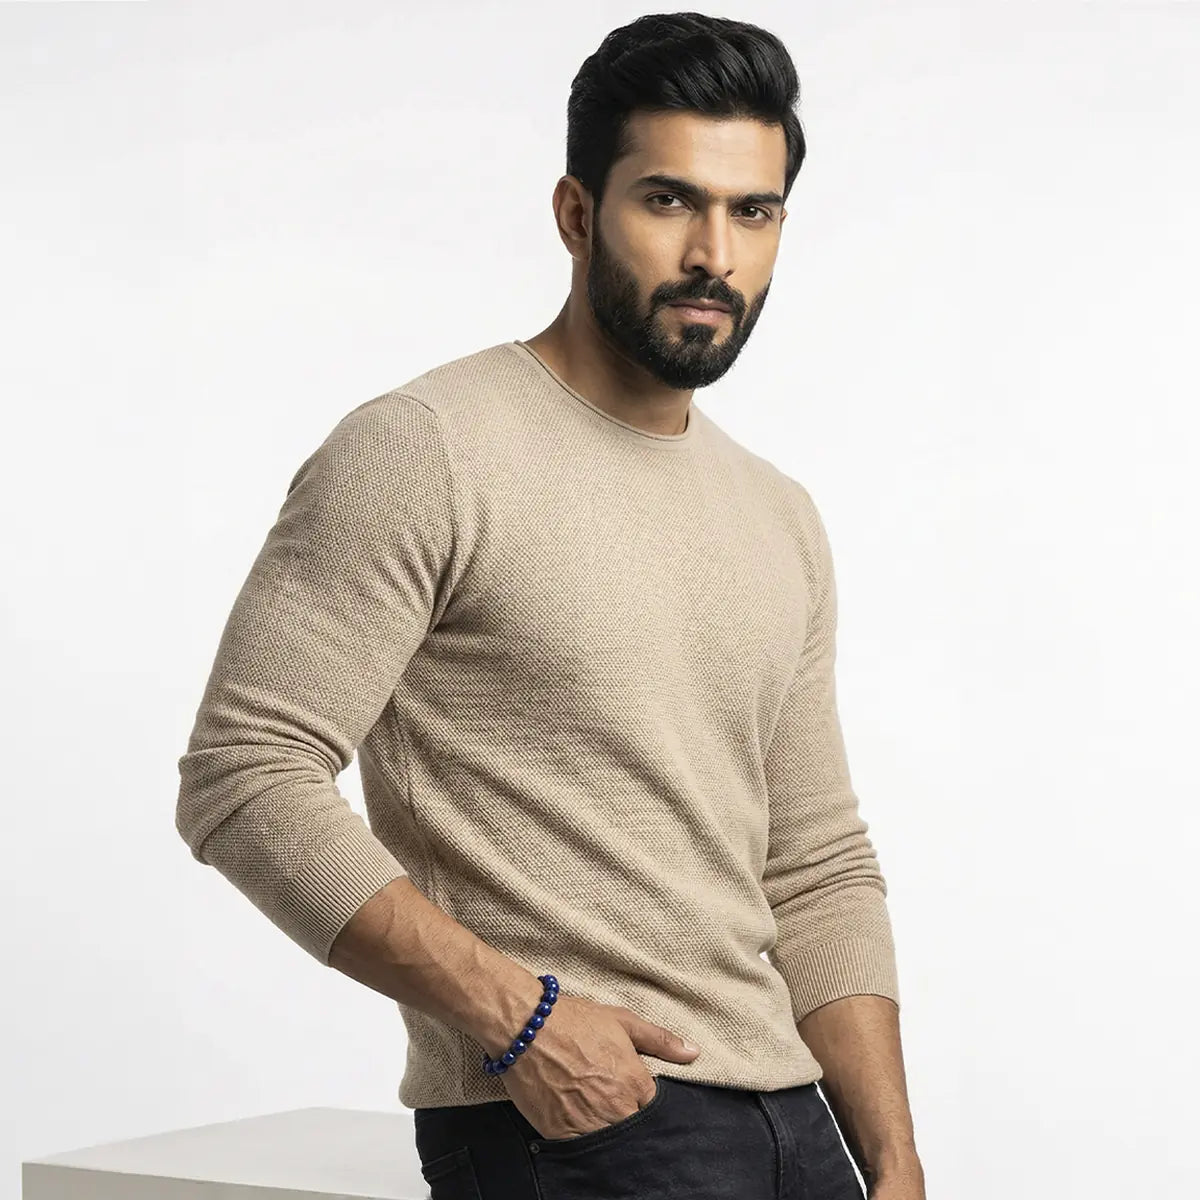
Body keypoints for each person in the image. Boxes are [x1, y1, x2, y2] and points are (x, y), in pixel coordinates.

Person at [175, 11, 925, 1200]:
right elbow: (244, 775)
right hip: (579, 1124)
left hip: (800, 1127)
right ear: (578, 213)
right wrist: (519, 1021)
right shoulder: (427, 449)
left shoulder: (778, 513)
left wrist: (892, 1156)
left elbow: (817, 862)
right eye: (669, 201)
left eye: (753, 212)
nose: (714, 255)